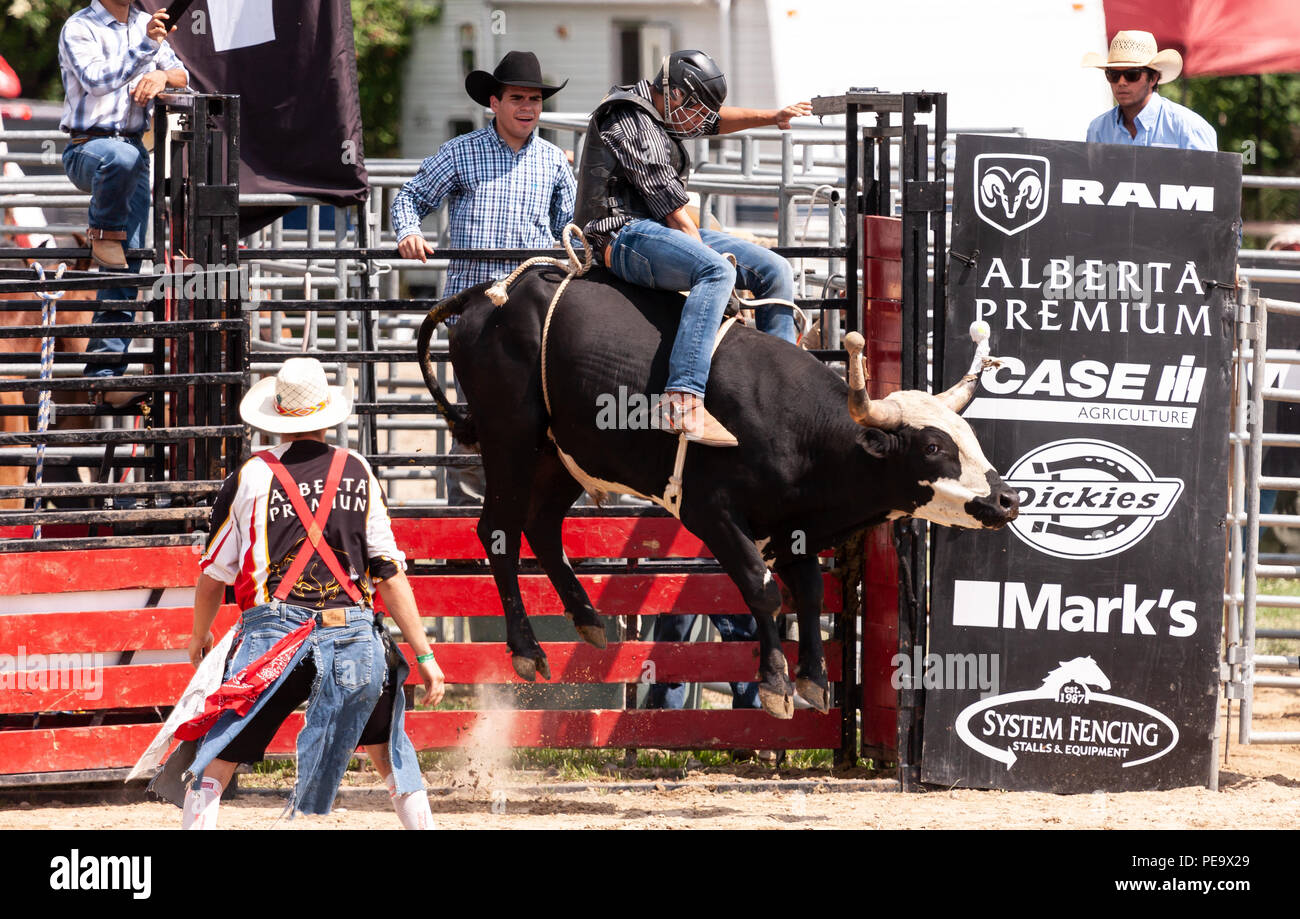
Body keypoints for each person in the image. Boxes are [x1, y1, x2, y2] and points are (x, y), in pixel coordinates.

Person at [155, 358, 445, 829]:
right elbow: (389, 574)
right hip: (351, 633)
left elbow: (214, 575)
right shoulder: (358, 471)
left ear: (278, 415)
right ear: (327, 413)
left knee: (220, 755)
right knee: (390, 751)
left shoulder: (249, 477)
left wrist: (199, 634)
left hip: (275, 639)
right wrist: (426, 656)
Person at [575, 49, 811, 447]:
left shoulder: (662, 107)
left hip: (653, 228)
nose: (703, 121)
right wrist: (720, 278)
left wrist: (772, 116)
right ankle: (681, 398)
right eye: (698, 108)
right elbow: (676, 214)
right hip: (618, 234)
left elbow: (716, 121)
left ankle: (781, 388)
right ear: (676, 96)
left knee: (775, 270)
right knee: (717, 271)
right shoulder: (629, 119)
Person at [391, 50, 575, 505]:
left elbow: (570, 232)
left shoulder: (554, 162)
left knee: (539, 422)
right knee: (476, 423)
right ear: (494, 102)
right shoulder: (461, 152)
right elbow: (410, 197)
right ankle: (468, 536)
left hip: (535, 318)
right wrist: (410, 232)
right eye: (517, 97)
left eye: (534, 99)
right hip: (473, 318)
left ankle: (526, 524)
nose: (527, 107)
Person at [58, 1, 188, 402]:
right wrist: (146, 51)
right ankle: (102, 232)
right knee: (124, 158)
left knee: (128, 262)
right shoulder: (79, 27)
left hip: (131, 152)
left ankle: (106, 374)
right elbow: (96, 79)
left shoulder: (143, 25)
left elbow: (182, 75)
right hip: (88, 148)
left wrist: (161, 75)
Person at [1082, 30, 1216, 151]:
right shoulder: (1097, 130)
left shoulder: (1189, 128)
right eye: (1113, 75)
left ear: (1153, 78)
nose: (1121, 82)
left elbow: (1208, 177)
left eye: (1132, 74)